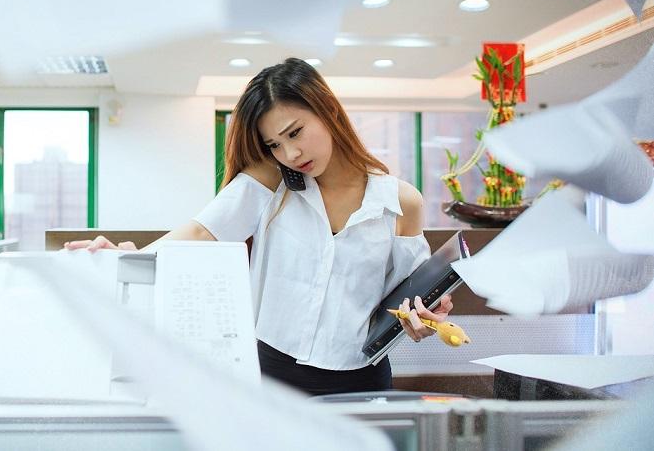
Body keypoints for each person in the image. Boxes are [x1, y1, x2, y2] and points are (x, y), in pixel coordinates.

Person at [66, 57, 453, 396]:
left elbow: (402, 303)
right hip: (268, 376)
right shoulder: (271, 182)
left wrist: (423, 317)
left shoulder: (400, 202)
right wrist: (129, 256)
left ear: (328, 110)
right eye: (274, 144)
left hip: (360, 381)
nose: (290, 154)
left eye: (295, 132)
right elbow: (203, 232)